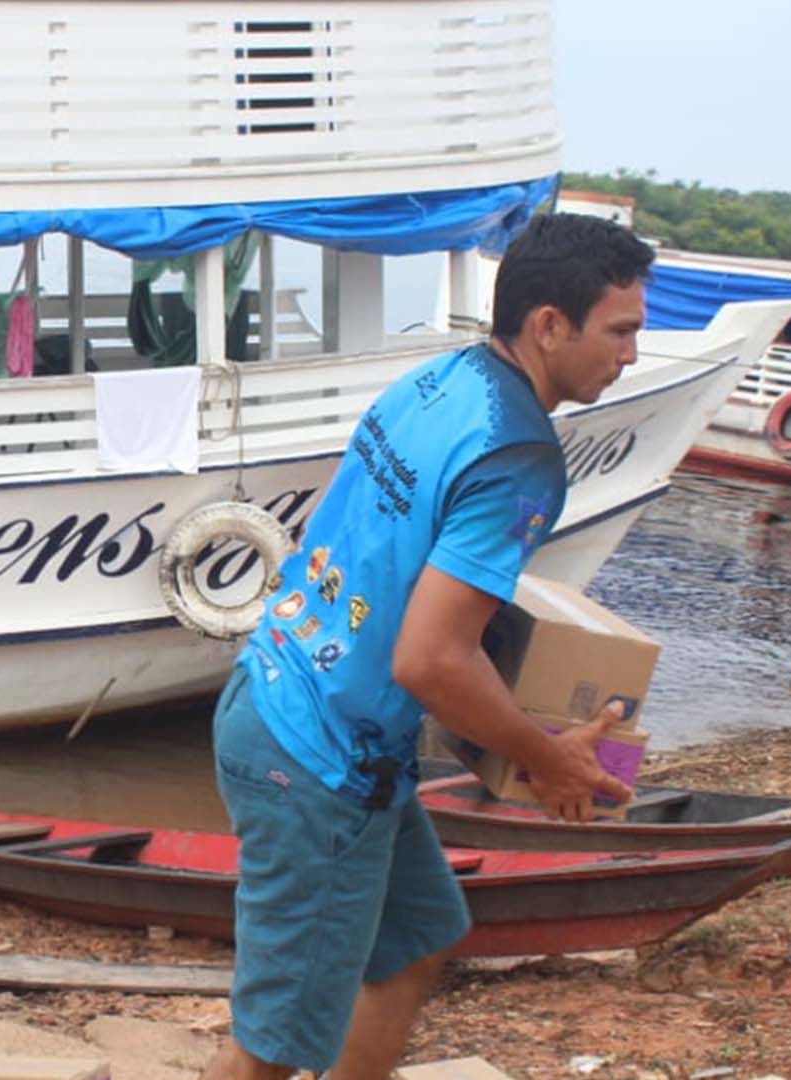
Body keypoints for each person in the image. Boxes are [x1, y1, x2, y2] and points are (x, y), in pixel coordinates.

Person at [202, 213, 648, 1080]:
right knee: (270, 1050)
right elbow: (432, 660)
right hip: (321, 759)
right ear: (550, 325)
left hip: (275, 694)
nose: (631, 354)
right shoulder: (518, 455)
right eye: (620, 330)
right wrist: (547, 757)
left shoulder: (442, 379)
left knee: (416, 937)